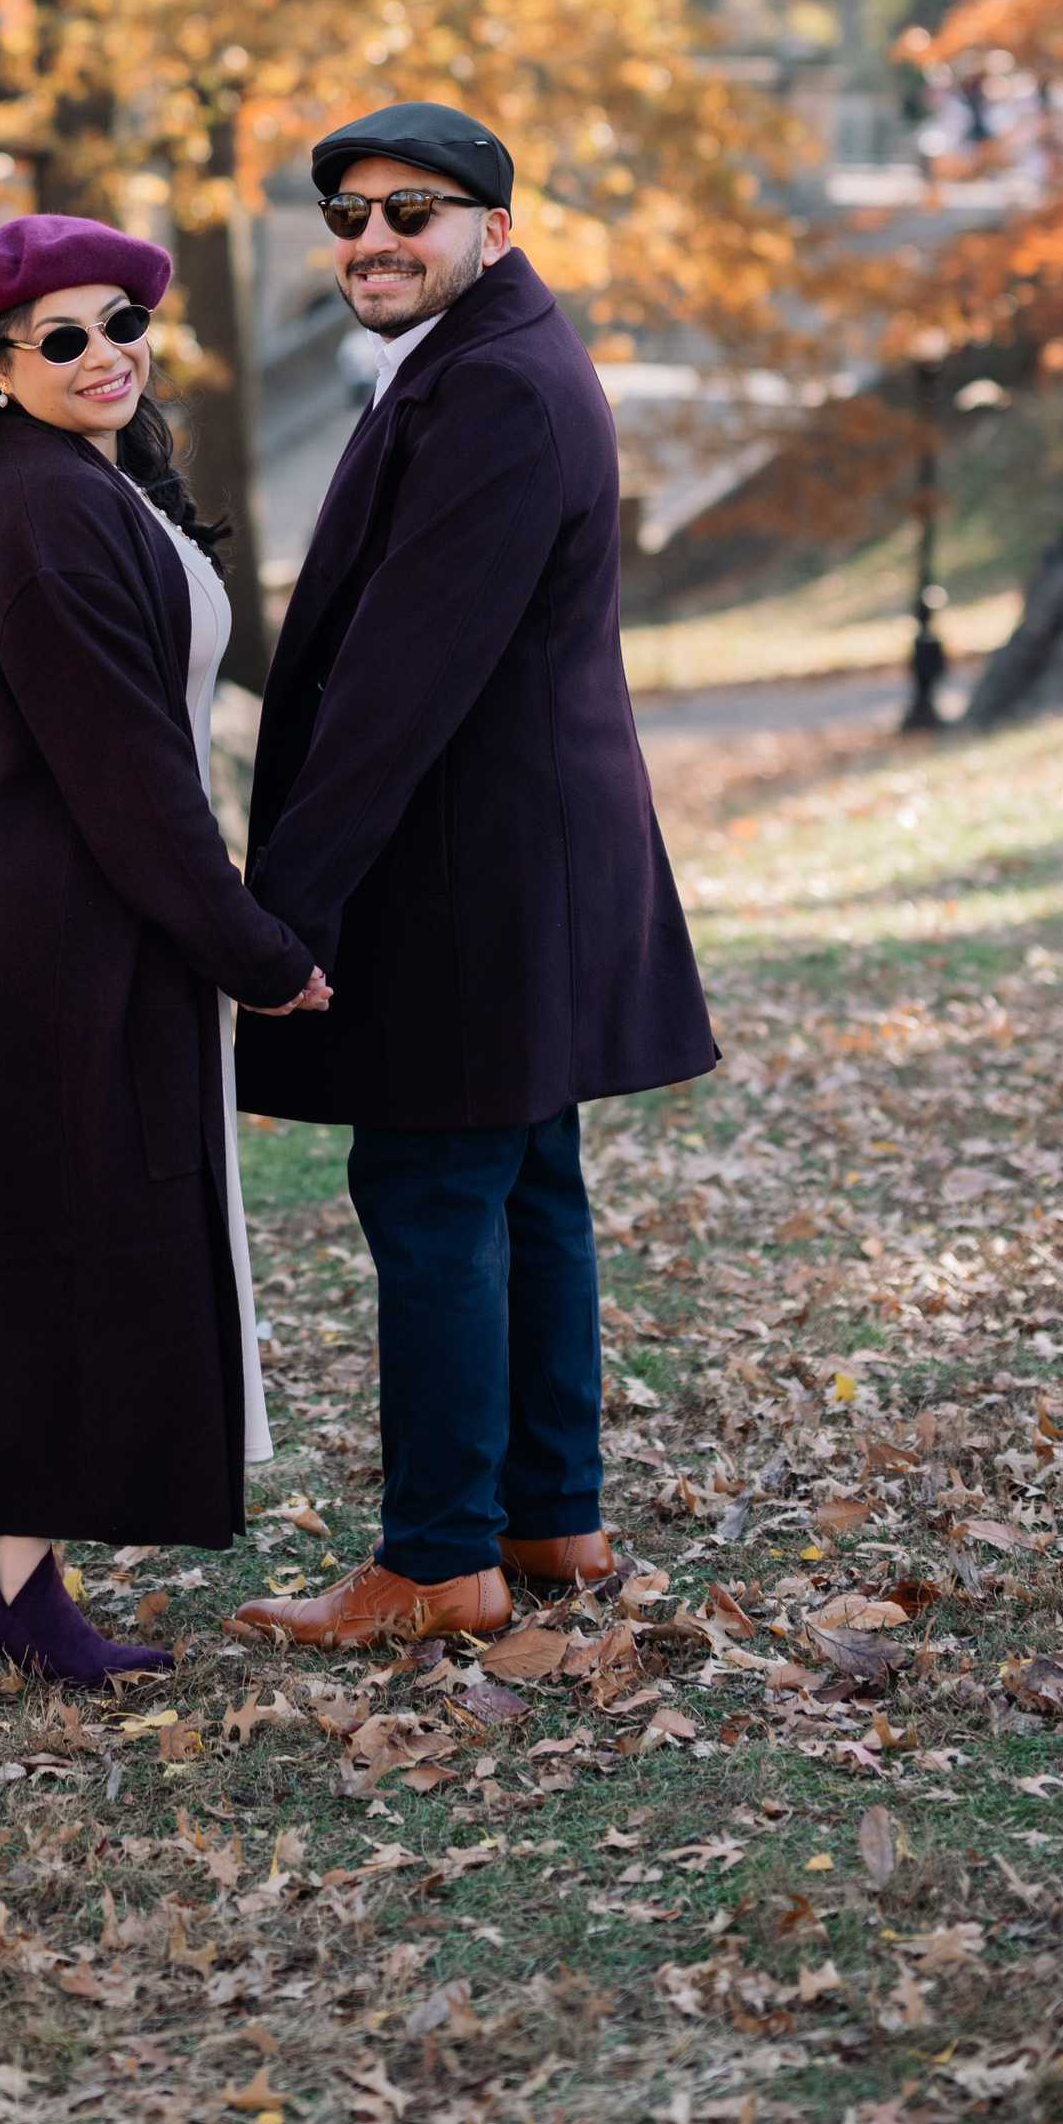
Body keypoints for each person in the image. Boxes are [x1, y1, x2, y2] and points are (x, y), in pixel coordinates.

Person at [226, 99, 716, 1651]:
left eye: (410, 213)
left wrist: (287, 911)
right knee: (523, 1186)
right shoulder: (481, 363)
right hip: (521, 864)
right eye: (350, 217)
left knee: (435, 1192)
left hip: (463, 875)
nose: (373, 239)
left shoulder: (493, 387)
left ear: (490, 231)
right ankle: (547, 1518)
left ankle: (440, 1559)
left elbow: (400, 679)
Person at [0, 212, 331, 1690]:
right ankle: (7, 1586)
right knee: (53, 1227)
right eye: (61, 339)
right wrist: (257, 951)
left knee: (15, 1208)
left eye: (121, 325)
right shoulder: (51, 513)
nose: (104, 356)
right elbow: (133, 776)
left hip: (31, 911)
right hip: (58, 930)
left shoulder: (71, 483)